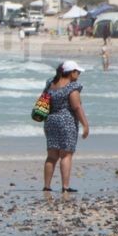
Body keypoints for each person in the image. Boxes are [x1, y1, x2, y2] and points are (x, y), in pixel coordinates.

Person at [42, 60, 90, 193]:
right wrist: (85, 124)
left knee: (51, 156)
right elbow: (76, 106)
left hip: (50, 121)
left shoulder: (50, 83)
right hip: (66, 123)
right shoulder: (72, 87)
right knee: (66, 155)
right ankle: (65, 187)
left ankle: (47, 186)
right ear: (71, 73)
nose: (79, 74)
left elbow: (44, 100)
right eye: (77, 71)